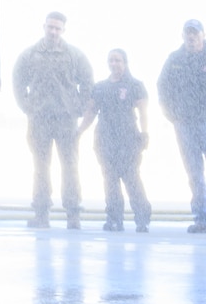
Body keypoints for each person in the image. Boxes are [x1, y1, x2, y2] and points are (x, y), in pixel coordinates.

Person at [12, 11, 92, 229]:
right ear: (44, 26)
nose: (53, 31)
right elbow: (18, 83)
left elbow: (87, 84)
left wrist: (78, 108)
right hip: (39, 120)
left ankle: (73, 214)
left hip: (66, 120)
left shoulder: (75, 55)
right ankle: (41, 213)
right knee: (41, 167)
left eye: (58, 28)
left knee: (70, 166)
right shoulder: (29, 55)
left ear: (63, 30)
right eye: (50, 27)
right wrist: (28, 107)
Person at [83, 49, 152, 232]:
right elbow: (90, 112)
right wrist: (79, 131)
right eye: (111, 60)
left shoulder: (135, 85)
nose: (114, 64)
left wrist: (145, 134)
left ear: (125, 63)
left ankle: (142, 218)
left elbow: (143, 111)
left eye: (118, 60)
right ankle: (114, 218)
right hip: (105, 139)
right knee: (110, 180)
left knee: (132, 178)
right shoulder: (100, 87)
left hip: (128, 139)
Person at [157, 19, 206, 233]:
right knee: (194, 173)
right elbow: (162, 86)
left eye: (195, 33)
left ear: (202, 35)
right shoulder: (175, 60)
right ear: (183, 35)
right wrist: (173, 115)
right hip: (185, 125)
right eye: (188, 33)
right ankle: (202, 218)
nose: (191, 36)